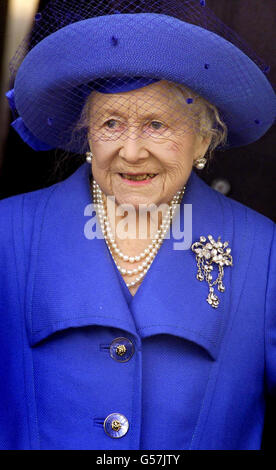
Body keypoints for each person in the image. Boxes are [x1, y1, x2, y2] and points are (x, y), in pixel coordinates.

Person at [0, 0, 275, 450]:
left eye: (156, 124)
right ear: (86, 132)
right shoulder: (7, 235)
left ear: (204, 137)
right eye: (111, 123)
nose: (130, 151)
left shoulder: (263, 254)